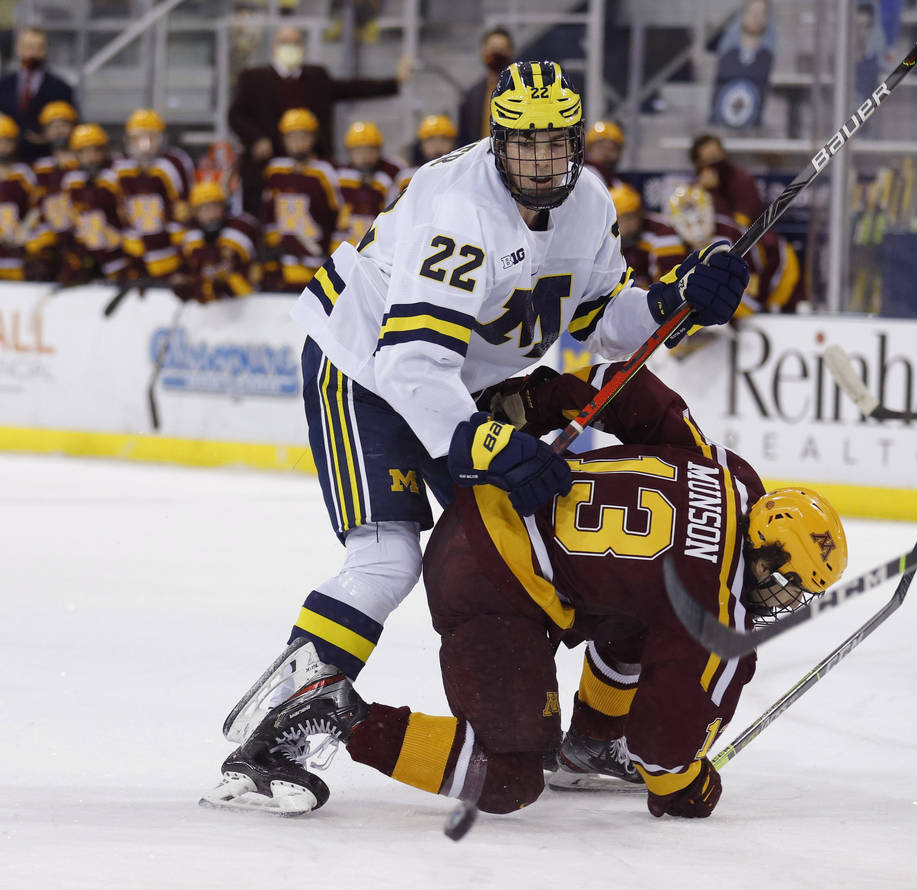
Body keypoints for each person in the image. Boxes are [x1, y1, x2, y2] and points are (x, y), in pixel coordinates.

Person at [201, 60, 750, 815]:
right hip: (364, 368)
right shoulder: (456, 208)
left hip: (461, 381)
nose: (539, 162)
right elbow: (412, 362)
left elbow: (599, 321)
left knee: (554, 531)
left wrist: (673, 299)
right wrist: (483, 442)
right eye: (523, 145)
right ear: (497, 142)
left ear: (577, 144)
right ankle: (278, 733)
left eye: (554, 144)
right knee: (387, 557)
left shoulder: (588, 203)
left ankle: (593, 733)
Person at [205, 362, 848, 818]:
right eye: (783, 581)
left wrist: (541, 398)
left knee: (642, 614)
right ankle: (342, 713)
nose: (781, 599)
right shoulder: (717, 612)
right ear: (763, 547)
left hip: (501, 503)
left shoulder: (727, 471)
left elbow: (634, 392)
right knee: (510, 775)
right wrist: (688, 786)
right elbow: (662, 749)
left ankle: (592, 742)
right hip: (487, 579)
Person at [227, 24, 410, 215]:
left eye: (295, 43)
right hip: (268, 166)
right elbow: (235, 115)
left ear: (303, 48)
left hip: (311, 166)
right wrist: (256, 138)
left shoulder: (317, 77)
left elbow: (351, 88)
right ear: (273, 47)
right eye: (284, 42)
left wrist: (394, 82)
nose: (290, 47)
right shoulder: (253, 78)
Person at [667, 183, 802, 314]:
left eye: (700, 221)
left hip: (781, 266)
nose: (697, 231)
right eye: (687, 225)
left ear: (710, 212)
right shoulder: (671, 243)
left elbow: (752, 287)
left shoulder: (731, 235)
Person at [259, 107, 341, 292]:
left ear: (313, 138)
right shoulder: (275, 170)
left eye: (303, 137)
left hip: (315, 257)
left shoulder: (325, 172)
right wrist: (271, 248)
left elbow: (336, 213)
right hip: (283, 257)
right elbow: (268, 212)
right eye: (292, 137)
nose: (297, 143)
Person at [112, 109, 194, 283]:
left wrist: (182, 252)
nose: (145, 145)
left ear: (162, 138)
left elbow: (182, 209)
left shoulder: (173, 163)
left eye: (151, 137)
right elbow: (118, 207)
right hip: (135, 250)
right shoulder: (120, 166)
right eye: (138, 139)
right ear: (128, 141)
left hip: (169, 251)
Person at [59, 124, 127, 285]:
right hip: (86, 255)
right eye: (85, 152)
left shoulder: (116, 178)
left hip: (115, 254)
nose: (91, 157)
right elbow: (70, 219)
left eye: (96, 150)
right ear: (76, 154)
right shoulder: (70, 181)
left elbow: (128, 216)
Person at [174, 180, 260, 302]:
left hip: (246, 305)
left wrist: (227, 275)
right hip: (211, 310)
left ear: (223, 207)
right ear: (195, 212)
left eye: (215, 207)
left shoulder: (238, 231)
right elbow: (189, 275)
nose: (211, 214)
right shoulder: (191, 237)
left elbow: (247, 273)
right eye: (204, 209)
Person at [0, 27, 74, 164]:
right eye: (28, 47)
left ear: (46, 50)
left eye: (39, 47)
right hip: (8, 162)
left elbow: (73, 124)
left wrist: (49, 136)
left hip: (49, 160)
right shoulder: (3, 85)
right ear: (18, 48)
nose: (33, 53)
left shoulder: (61, 88)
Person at [25, 100, 76, 281]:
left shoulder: (85, 163)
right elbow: (34, 208)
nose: (58, 130)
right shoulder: (39, 168)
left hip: (81, 237)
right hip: (51, 240)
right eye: (53, 126)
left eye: (63, 124)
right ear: (45, 132)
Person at [709, 0, 777, 130]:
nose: (756, 17)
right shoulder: (729, 52)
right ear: (743, 15)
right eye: (752, 13)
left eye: (761, 13)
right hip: (723, 117)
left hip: (754, 121)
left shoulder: (767, 54)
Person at [335, 120, 401, 249]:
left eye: (371, 150)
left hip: (377, 246)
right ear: (349, 152)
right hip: (346, 243)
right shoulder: (340, 176)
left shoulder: (392, 174)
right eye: (359, 150)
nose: (365, 156)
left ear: (379, 150)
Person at [610, 182, 686, 289]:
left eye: (628, 216)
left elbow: (673, 288)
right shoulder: (606, 232)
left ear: (640, 213)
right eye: (617, 218)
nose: (623, 224)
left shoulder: (663, 235)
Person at [456, 26, 515, 146]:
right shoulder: (471, 96)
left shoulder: (522, 92)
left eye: (502, 49)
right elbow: (464, 137)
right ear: (483, 52)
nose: (497, 54)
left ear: (511, 53)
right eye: (493, 49)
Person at [0, 113, 34, 279]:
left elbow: (36, 207)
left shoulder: (24, 174)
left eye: (8, 141)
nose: (3, 147)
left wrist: (26, 229)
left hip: (15, 254)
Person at [584, 119, 624, 188]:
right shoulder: (584, 174)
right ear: (589, 149)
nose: (607, 153)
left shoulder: (616, 181)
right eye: (601, 147)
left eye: (612, 149)